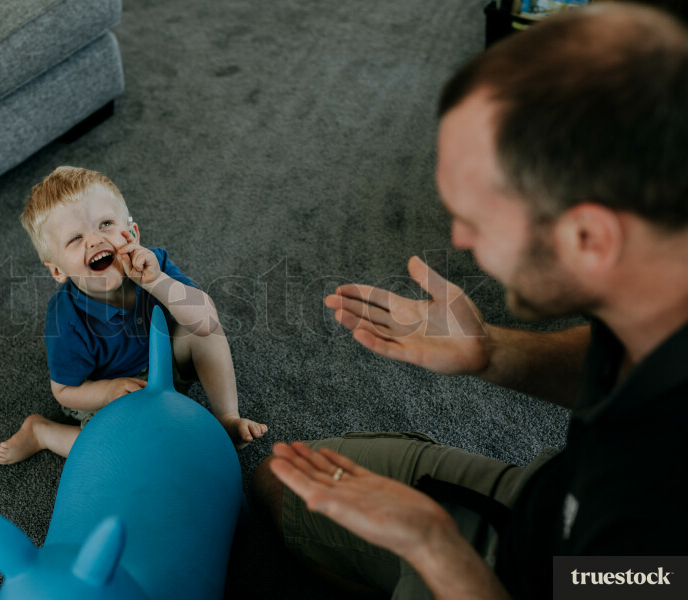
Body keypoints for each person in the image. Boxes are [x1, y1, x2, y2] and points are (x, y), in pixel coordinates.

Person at [252, 4, 688, 599]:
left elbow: (615, 579)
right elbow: (609, 356)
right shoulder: (655, 275)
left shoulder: (653, 509)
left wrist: (435, 546)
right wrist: (494, 354)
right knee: (280, 487)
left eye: (475, 218)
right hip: (547, 508)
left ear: (590, 238)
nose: (458, 238)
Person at [0, 167, 267, 464]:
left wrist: (156, 282)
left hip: (164, 362)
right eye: (75, 238)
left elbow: (207, 319)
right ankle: (43, 433)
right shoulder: (66, 318)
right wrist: (108, 390)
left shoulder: (153, 265)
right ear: (58, 270)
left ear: (133, 233)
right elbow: (64, 390)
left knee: (203, 331)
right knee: (121, 450)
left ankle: (226, 418)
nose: (94, 240)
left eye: (106, 224)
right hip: (108, 396)